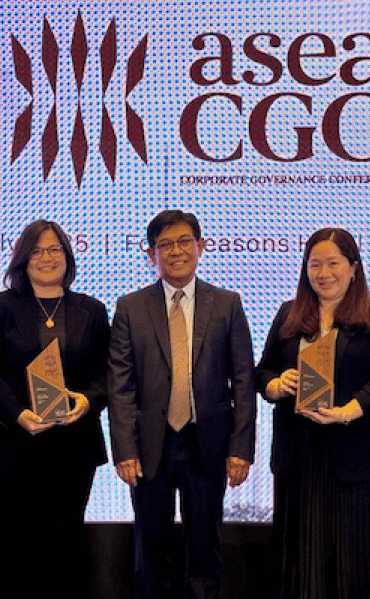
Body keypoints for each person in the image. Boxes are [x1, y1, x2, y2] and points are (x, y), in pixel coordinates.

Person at [108, 210, 256, 599]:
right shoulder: (130, 307)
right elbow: (120, 386)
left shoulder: (227, 304)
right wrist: (124, 449)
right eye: (165, 245)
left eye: (184, 242)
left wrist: (241, 447)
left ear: (201, 246)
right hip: (149, 445)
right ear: (150, 254)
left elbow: (243, 380)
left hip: (207, 442)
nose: (176, 251)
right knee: (151, 546)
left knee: (204, 546)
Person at [256, 227, 370, 599]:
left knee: (354, 558)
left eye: (333, 263)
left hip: (353, 454)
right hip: (298, 455)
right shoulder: (288, 315)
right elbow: (263, 372)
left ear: (354, 267)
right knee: (299, 558)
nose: (324, 273)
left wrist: (350, 411)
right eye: (315, 264)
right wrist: (276, 386)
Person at [0, 219, 109, 598]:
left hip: (72, 450)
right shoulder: (1, 307)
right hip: (11, 449)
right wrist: (17, 412)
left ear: (67, 257)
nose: (46, 258)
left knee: (64, 550)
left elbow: (108, 371)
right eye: (36, 250)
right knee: (14, 553)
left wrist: (89, 400)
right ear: (22, 259)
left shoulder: (92, 310)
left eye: (55, 250)